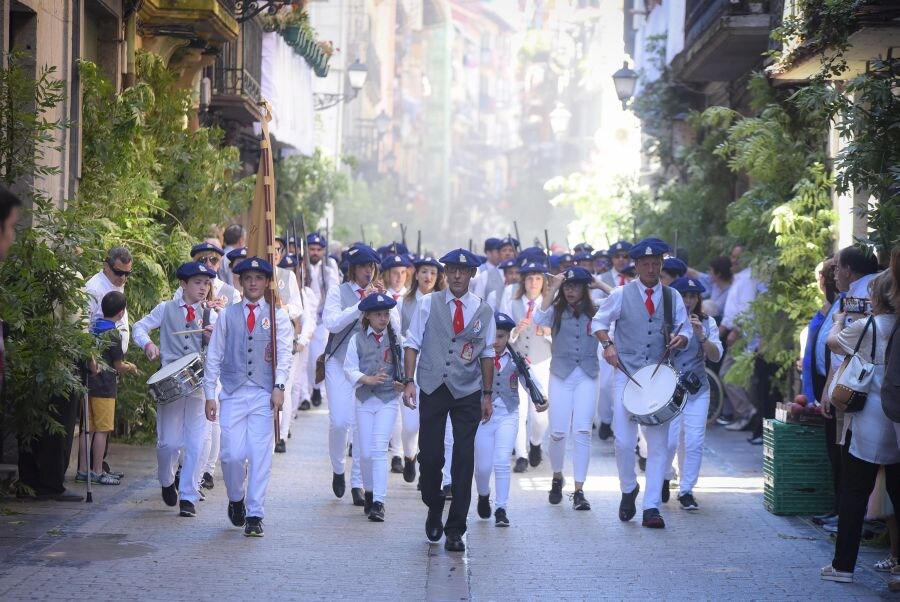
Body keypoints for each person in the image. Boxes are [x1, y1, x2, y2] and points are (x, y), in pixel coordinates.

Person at [593, 238, 690, 529]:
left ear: (662, 264)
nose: (651, 268)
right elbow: (598, 323)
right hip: (627, 373)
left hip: (658, 376)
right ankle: (628, 488)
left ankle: (651, 507)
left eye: (656, 263)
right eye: (645, 263)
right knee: (623, 441)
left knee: (658, 444)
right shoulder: (621, 295)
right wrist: (608, 345)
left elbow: (686, 331)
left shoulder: (673, 297)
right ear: (635, 266)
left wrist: (682, 338)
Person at [403, 248, 495, 553]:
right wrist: (408, 382)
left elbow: (487, 354)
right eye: (452, 269)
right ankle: (433, 504)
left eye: (463, 270)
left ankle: (456, 528)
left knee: (463, 459)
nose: (457, 275)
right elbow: (412, 341)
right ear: (446, 273)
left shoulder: (483, 310)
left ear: (472, 275)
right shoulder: (428, 303)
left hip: (467, 390)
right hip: (432, 385)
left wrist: (487, 395)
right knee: (430, 456)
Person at [203, 257, 293, 537]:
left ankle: (255, 513)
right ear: (239, 282)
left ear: (267, 283)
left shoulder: (278, 316)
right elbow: (214, 355)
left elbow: (285, 355)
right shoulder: (228, 315)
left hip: (263, 394)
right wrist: (210, 394)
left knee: (259, 454)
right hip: (232, 392)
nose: (253, 283)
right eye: (248, 278)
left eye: (259, 278)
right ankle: (236, 497)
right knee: (231, 455)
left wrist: (279, 386)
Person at [821, 270, 899, 583]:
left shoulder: (869, 326)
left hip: (868, 416)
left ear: (878, 297)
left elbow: (832, 343)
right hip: (896, 417)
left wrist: (839, 321)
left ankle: (843, 566)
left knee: (854, 491)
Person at [133, 261, 217, 517]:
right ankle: (167, 480)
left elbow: (221, 350)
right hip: (169, 382)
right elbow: (139, 326)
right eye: (197, 283)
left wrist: (213, 337)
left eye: (206, 283)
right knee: (168, 443)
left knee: (197, 441)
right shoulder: (166, 309)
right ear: (183, 284)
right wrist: (147, 345)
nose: (203, 288)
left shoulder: (211, 314)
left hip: (199, 383)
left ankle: (189, 495)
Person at [323, 245, 395, 506]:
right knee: (340, 422)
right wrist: (360, 304)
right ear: (353, 269)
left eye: (372, 266)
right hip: (340, 361)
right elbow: (331, 323)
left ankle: (359, 485)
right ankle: (338, 468)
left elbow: (395, 328)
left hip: (369, 367)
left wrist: (383, 303)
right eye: (364, 266)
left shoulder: (379, 292)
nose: (368, 270)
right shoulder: (338, 292)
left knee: (361, 427)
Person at [531, 267, 599, 510]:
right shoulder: (556, 310)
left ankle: (580, 490)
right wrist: (553, 288)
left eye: (576, 286)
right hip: (561, 374)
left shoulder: (596, 309)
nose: (571, 290)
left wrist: (599, 284)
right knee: (558, 432)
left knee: (582, 432)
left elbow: (620, 301)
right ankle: (557, 476)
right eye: (567, 286)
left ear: (584, 288)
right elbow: (538, 318)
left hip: (588, 375)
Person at [474, 312, 544, 527]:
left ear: (509, 336)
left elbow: (530, 379)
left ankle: (501, 508)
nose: (496, 341)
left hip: (508, 413)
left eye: (501, 336)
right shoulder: (477, 358)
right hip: (482, 418)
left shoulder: (517, 359)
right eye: (493, 336)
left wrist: (540, 398)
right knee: (483, 467)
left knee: (502, 461)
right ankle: (483, 494)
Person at [343, 293, 403, 522]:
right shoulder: (356, 339)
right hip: (364, 399)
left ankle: (379, 501)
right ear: (367, 315)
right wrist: (366, 379)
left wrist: (402, 381)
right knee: (365, 451)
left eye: (386, 313)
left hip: (388, 399)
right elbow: (349, 368)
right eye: (378, 314)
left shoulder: (396, 338)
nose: (383, 318)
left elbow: (405, 365)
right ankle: (368, 491)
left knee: (379, 448)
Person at [664, 277, 722, 510]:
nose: (688, 300)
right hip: (670, 389)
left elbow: (716, 355)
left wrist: (701, 336)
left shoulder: (708, 323)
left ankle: (687, 490)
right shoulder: (665, 321)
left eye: (693, 296)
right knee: (670, 441)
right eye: (684, 296)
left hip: (698, 387)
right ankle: (665, 476)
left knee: (694, 440)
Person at [75, 291, 138, 486]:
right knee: (102, 430)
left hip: (88, 384)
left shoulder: (93, 328)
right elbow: (118, 365)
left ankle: (83, 470)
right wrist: (132, 367)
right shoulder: (113, 333)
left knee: (88, 429)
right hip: (105, 387)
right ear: (121, 313)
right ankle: (98, 471)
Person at [398, 256, 446, 484]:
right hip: (411, 368)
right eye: (424, 272)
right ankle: (409, 455)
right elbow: (395, 333)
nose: (428, 277)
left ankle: (427, 471)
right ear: (416, 274)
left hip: (435, 369)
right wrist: (409, 340)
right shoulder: (403, 302)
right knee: (410, 425)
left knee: (431, 424)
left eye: (433, 273)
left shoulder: (443, 302)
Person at [501, 261, 550, 473]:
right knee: (518, 411)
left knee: (539, 413)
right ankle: (521, 454)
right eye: (529, 278)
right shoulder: (511, 300)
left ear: (543, 282)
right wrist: (514, 332)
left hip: (542, 360)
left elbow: (560, 334)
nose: (533, 283)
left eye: (538, 278)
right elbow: (501, 332)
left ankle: (536, 442)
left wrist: (547, 332)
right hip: (517, 360)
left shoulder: (549, 304)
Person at [719, 245, 759, 432]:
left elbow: (747, 310)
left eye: (737, 257)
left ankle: (747, 413)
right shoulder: (740, 277)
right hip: (734, 332)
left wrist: (735, 331)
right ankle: (745, 414)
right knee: (737, 377)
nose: (733, 261)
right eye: (732, 256)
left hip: (743, 336)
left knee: (727, 375)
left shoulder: (749, 279)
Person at [272, 237, 305, 453]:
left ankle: (281, 435)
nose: (273, 252)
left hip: (285, 339)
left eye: (277, 250)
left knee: (286, 386)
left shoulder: (287, 275)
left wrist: (282, 310)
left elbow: (297, 307)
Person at [306, 232, 341, 408]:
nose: (315, 252)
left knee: (317, 355)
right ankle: (305, 393)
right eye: (312, 249)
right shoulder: (301, 264)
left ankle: (317, 389)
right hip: (305, 315)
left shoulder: (329, 265)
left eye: (318, 249)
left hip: (321, 316)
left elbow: (334, 289)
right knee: (306, 357)